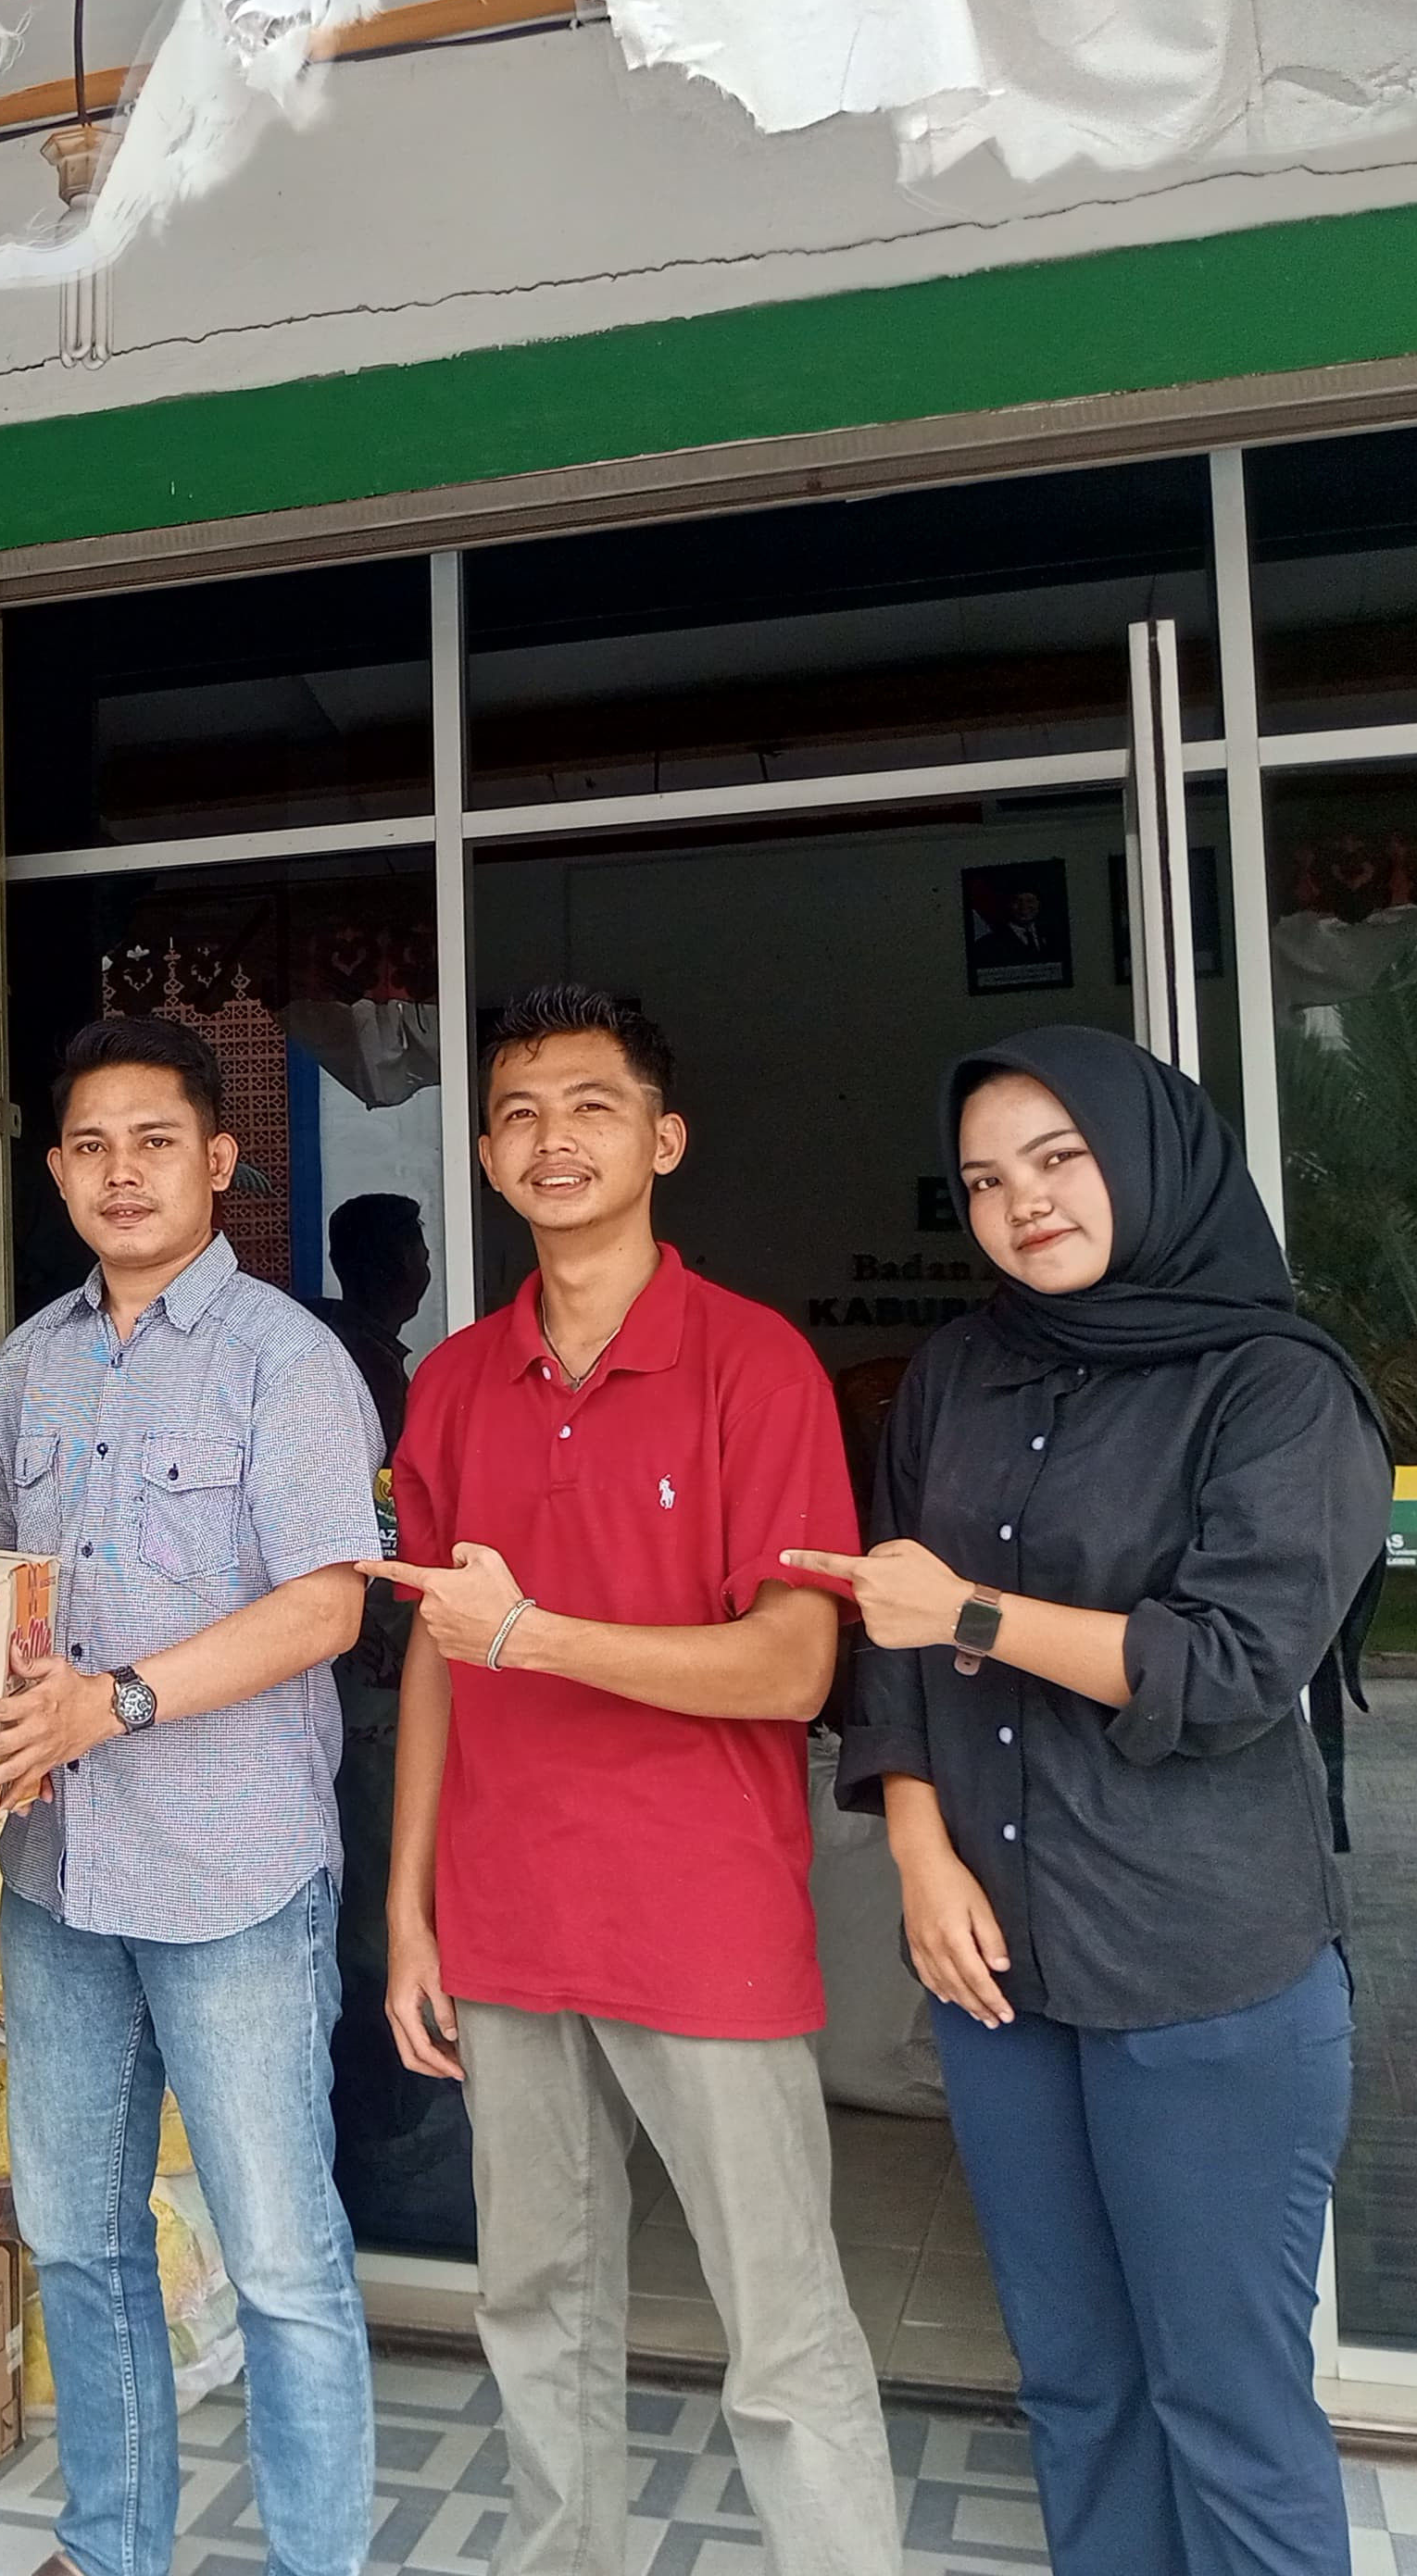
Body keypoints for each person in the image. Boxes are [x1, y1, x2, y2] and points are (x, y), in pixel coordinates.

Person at [807, 1029, 1387, 2576]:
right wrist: (917, 1856)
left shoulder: (1275, 1385)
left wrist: (971, 1613)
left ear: (1146, 1158)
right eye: (985, 1180)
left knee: (1223, 2399)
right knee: (1072, 2383)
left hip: (1201, 1970)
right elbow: (888, 1646)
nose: (1024, 1203)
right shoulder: (957, 1372)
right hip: (998, 1971)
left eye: (1057, 1160)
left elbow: (1233, 1665)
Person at [376, 983, 900, 2576]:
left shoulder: (754, 1365)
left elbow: (790, 1665)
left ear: (662, 1140)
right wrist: (408, 1908)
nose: (553, 1138)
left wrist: (533, 1633)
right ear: (484, 1153)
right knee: (535, 2301)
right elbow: (435, 1656)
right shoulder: (454, 1383)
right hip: (506, 1913)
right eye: (520, 1113)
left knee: (777, 2319)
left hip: (700, 1917)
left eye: (591, 1105)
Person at [0, 1012, 383, 2576]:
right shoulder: (30, 1361)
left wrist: (117, 1696)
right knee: (75, 2234)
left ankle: (315, 2558)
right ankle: (111, 2545)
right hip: (59, 1868)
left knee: (279, 2256)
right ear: (57, 1170)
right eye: (89, 1145)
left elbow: (326, 1607)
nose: (119, 1172)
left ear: (218, 1160)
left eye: (153, 1142)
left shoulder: (288, 1360)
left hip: (233, 1870)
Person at [312, 1190, 431, 1448]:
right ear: (404, 1264)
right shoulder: (376, 1365)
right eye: (424, 1259)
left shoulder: (318, 1340)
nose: (426, 1274)